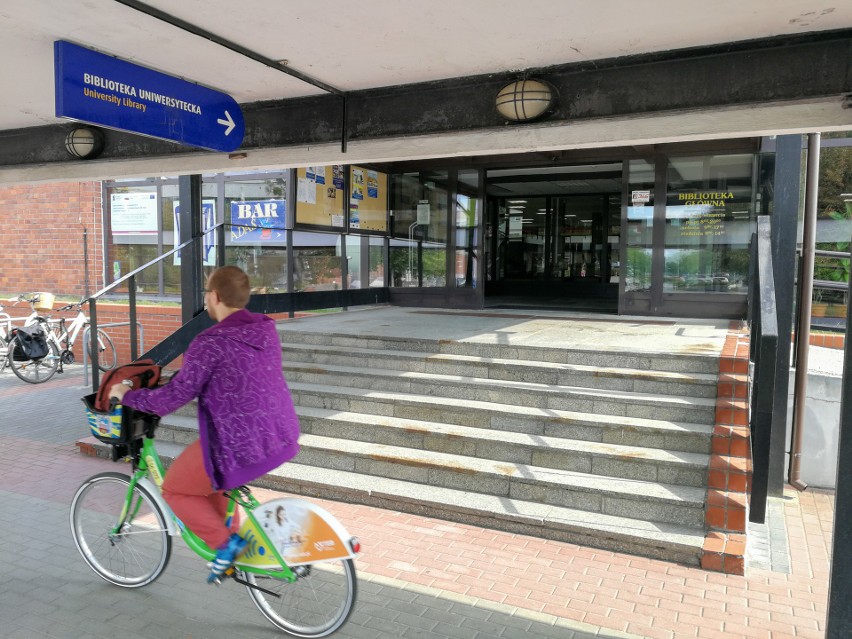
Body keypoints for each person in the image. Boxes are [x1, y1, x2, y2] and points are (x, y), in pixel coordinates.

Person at [109, 265, 300, 583]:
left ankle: (227, 547)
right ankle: (234, 548)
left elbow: (172, 399)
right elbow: (235, 374)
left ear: (214, 296)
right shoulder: (265, 329)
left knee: (175, 490)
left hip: (236, 443)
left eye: (206, 295)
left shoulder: (210, 342)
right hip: (278, 434)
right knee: (213, 486)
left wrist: (127, 395)